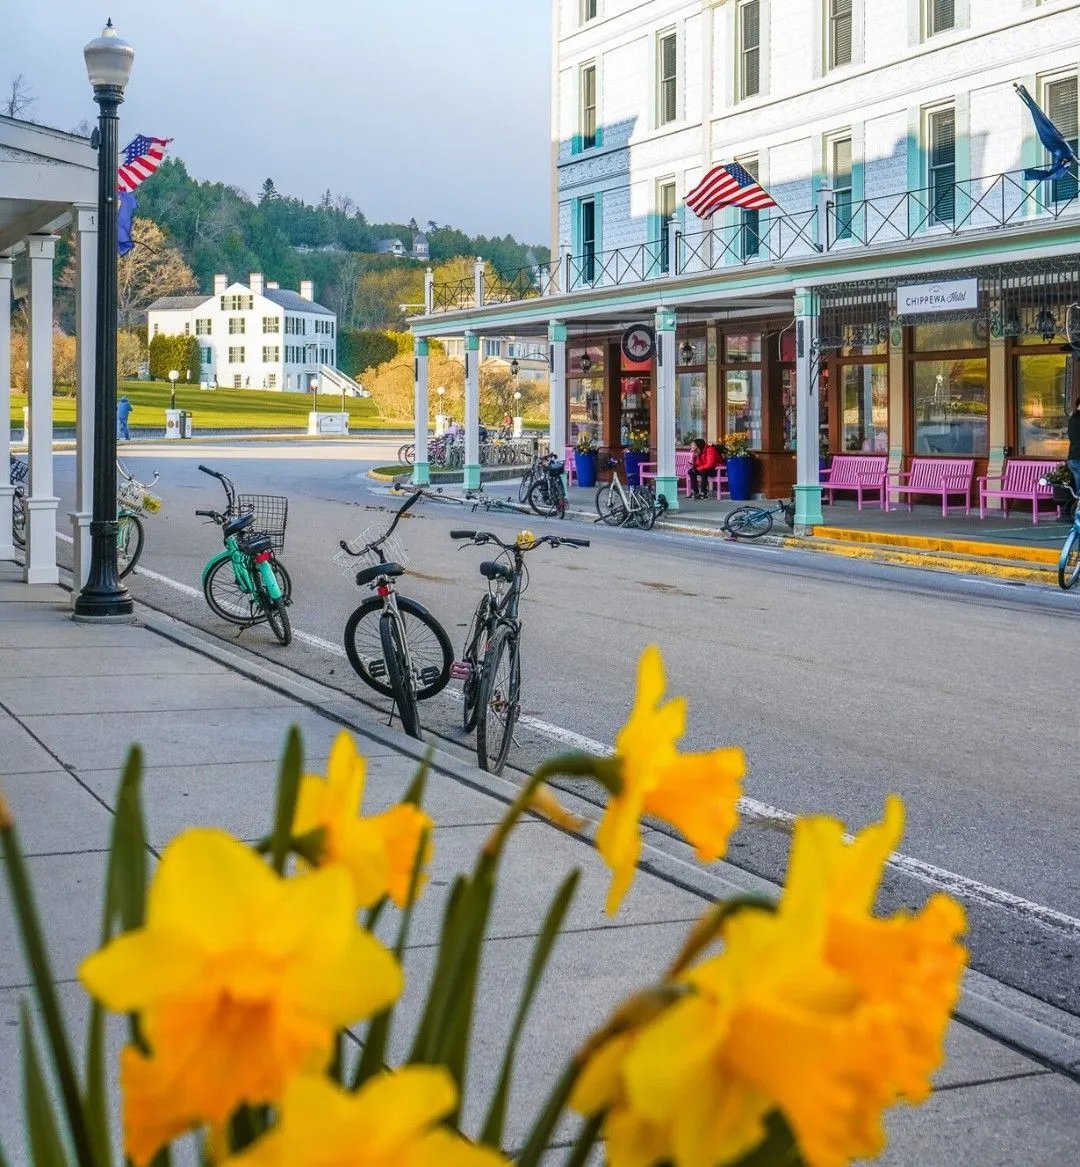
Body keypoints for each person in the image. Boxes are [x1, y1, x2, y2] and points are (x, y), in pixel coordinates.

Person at [1068, 396, 1080, 497]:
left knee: (1078, 486)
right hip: (1078, 457)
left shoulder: (1073, 417)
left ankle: (1077, 508)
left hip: (1072, 457)